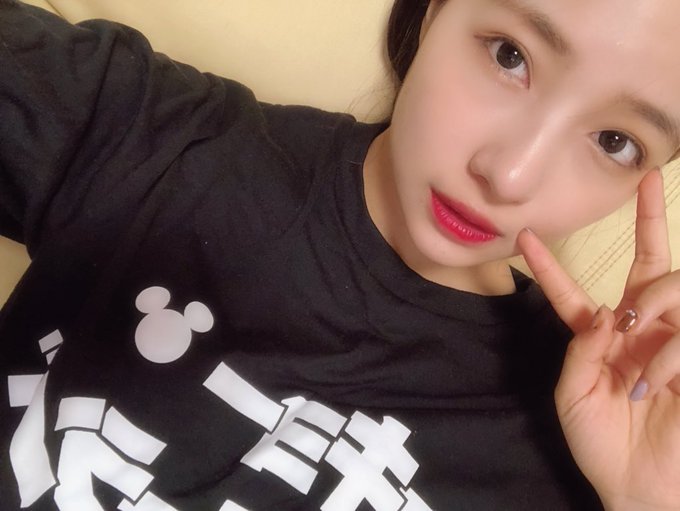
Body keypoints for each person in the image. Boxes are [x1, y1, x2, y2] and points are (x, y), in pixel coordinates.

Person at [0, 0, 678, 509]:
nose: (510, 176)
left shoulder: (603, 435)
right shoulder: (155, 134)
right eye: (509, 56)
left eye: (615, 142)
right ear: (434, 10)